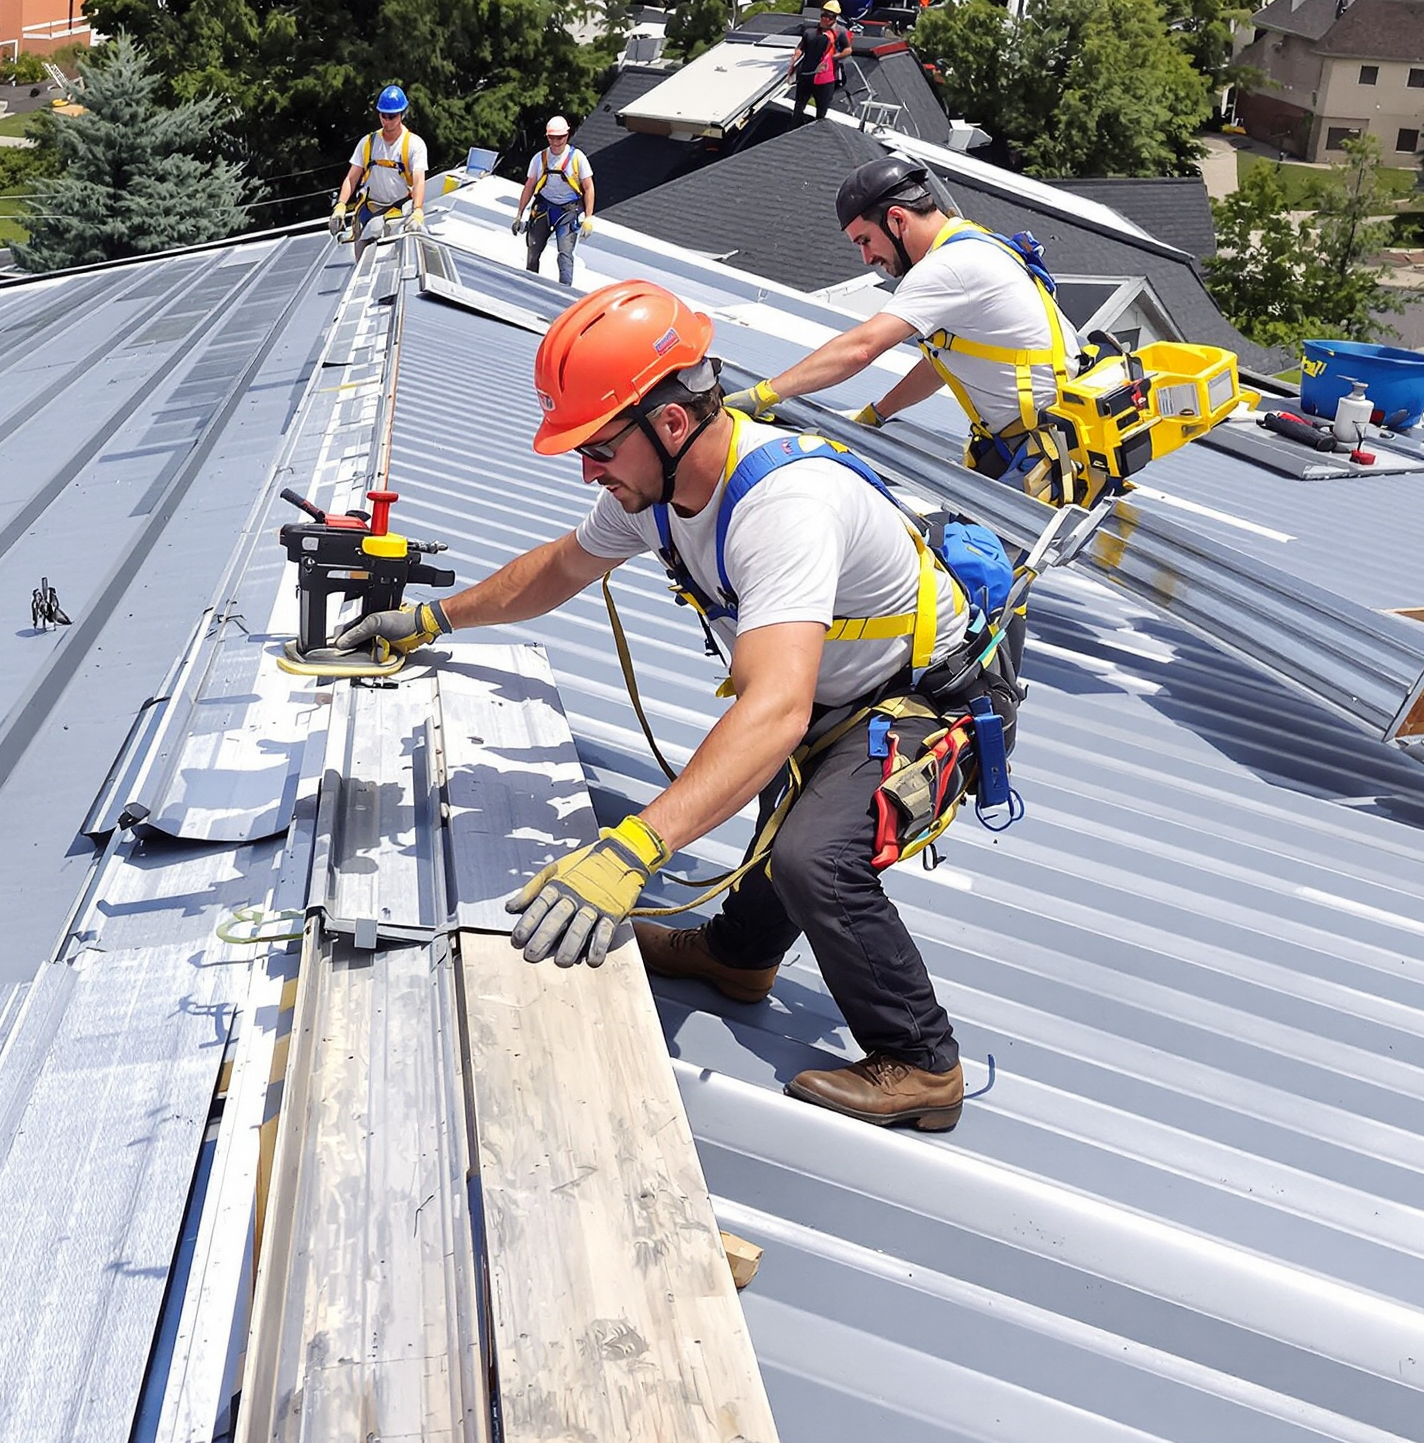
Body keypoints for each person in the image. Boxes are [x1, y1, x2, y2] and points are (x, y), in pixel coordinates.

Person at [331, 281, 1010, 1133]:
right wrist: (430, 620)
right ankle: (736, 959)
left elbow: (775, 710)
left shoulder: (783, 510)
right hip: (837, 698)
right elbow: (558, 570)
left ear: (673, 422)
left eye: (598, 447)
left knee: (814, 855)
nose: (588, 470)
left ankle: (921, 1060)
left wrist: (633, 849)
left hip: (924, 705)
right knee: (780, 805)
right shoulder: (659, 490)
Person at [733, 156, 1082, 500]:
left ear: (897, 220)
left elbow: (861, 347)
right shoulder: (973, 241)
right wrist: (878, 413)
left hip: (1041, 457)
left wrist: (764, 394)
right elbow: (945, 361)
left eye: (865, 241)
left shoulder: (947, 266)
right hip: (1048, 445)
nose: (866, 259)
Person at [336, 85, 429, 247]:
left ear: (402, 114)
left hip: (400, 208)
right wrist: (340, 205)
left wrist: (418, 210)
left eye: (392, 116)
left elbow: (419, 180)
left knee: (400, 247)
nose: (387, 121)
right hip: (372, 207)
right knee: (361, 247)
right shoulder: (368, 143)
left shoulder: (414, 144)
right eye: (383, 115)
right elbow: (351, 178)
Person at [513, 116, 597, 286]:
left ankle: (564, 290)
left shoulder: (577, 158)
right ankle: (529, 285)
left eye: (560, 137)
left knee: (565, 255)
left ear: (567, 135)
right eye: (552, 137)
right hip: (544, 207)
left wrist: (589, 217)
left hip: (568, 211)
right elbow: (529, 186)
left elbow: (589, 188)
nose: (556, 142)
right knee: (533, 249)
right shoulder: (540, 158)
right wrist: (519, 214)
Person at [791, 1, 851, 119]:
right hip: (806, 74)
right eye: (824, 16)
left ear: (835, 18)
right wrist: (796, 56)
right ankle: (794, 125)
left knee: (821, 111)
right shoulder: (810, 31)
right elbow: (801, 47)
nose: (826, 19)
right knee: (798, 107)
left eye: (830, 17)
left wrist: (836, 56)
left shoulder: (840, 32)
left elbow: (848, 49)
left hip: (826, 78)